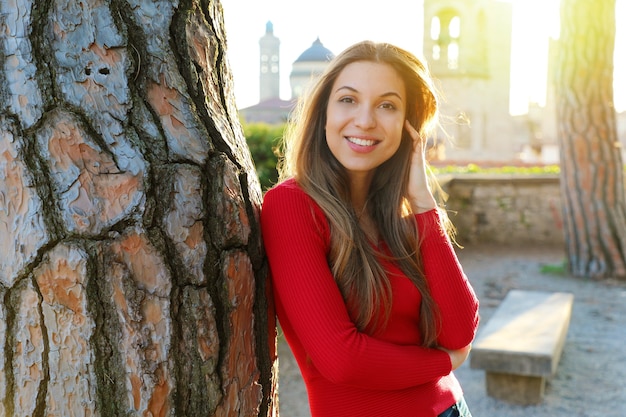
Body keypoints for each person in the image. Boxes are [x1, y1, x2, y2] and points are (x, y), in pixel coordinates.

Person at [260, 40, 479, 417]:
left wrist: (425, 205)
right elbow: (342, 360)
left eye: (387, 105)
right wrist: (444, 363)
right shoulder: (292, 205)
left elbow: (459, 330)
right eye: (348, 100)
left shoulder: (400, 213)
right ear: (323, 113)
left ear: (409, 126)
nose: (365, 120)